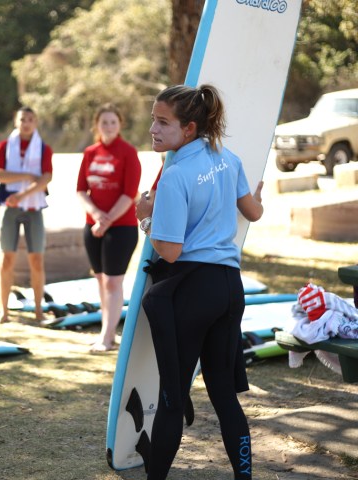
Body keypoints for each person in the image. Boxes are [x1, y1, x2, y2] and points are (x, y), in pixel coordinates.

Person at [136, 84, 264, 480]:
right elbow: (253, 212)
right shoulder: (229, 159)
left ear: (189, 128)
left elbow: (170, 251)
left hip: (192, 289)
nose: (153, 129)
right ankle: (245, 476)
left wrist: (145, 217)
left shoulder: (175, 176)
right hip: (229, 287)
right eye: (153, 120)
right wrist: (255, 194)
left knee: (172, 399)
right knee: (224, 396)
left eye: (163, 122)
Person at [77, 103, 142, 353]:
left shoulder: (128, 152)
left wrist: (106, 221)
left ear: (120, 124)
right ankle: (107, 331)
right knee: (101, 280)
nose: (109, 126)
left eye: (113, 122)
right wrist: (96, 216)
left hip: (121, 228)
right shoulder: (90, 152)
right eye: (104, 122)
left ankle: (107, 337)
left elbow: (129, 194)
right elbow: (81, 190)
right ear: (97, 125)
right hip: (93, 226)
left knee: (113, 283)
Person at [0, 106, 53, 324]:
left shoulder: (43, 149)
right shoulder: (4, 147)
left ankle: (38, 311)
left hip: (34, 207)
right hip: (9, 207)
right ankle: (4, 311)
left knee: (36, 259)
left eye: (30, 119)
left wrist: (22, 193)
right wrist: (26, 175)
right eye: (22, 119)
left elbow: (45, 178)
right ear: (16, 122)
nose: (26, 123)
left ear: (36, 123)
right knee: (7, 258)